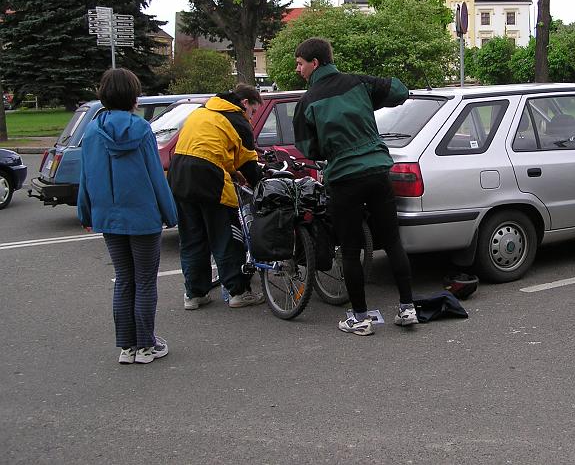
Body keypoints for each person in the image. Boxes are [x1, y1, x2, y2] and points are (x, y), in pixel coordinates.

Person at [292, 37, 418, 336]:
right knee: (392, 241)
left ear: (315, 63)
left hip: (344, 178)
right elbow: (399, 90)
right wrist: (370, 96)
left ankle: (360, 318)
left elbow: (308, 148)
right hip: (378, 171)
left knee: (349, 250)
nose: (299, 70)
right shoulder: (359, 83)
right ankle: (408, 308)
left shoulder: (307, 102)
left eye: (300, 64)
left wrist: (331, 147)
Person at [77, 68, 178, 365]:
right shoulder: (142, 129)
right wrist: (170, 213)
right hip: (142, 216)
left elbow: (86, 177)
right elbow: (154, 176)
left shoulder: (93, 131)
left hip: (108, 216)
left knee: (124, 279)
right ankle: (146, 345)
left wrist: (85, 212)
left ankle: (127, 347)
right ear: (133, 96)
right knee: (145, 280)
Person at [168, 83, 266, 310]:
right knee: (225, 236)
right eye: (252, 111)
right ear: (244, 103)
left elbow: (206, 148)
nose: (250, 117)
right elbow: (249, 163)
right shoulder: (237, 119)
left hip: (180, 175)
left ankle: (194, 294)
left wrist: (232, 172)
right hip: (209, 180)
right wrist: (260, 185)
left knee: (192, 237)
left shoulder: (203, 112)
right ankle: (238, 292)